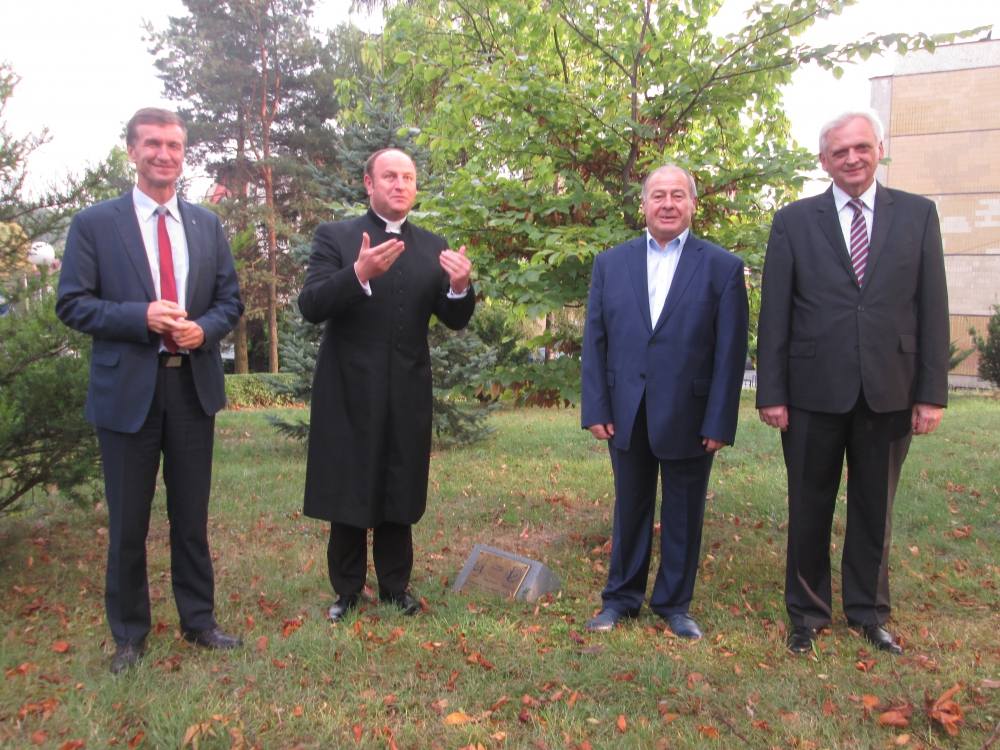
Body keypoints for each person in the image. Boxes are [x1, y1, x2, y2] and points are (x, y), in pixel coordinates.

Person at [56, 108, 244, 674]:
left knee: (190, 516)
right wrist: (140, 317)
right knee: (128, 523)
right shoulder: (95, 224)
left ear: (184, 154)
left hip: (191, 388)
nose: (164, 154)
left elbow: (229, 302)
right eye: (153, 144)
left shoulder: (206, 225)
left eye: (174, 145)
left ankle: (199, 621)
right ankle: (129, 634)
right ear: (132, 151)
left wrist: (202, 330)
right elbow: (73, 303)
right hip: (126, 392)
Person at [756, 110, 949, 656]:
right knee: (808, 505)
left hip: (891, 388)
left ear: (879, 149)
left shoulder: (918, 215)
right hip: (812, 391)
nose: (852, 158)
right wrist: (772, 392)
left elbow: (933, 306)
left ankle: (868, 612)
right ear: (824, 161)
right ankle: (807, 614)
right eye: (839, 152)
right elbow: (775, 313)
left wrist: (931, 393)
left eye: (861, 147)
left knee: (874, 508)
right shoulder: (794, 221)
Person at [298, 148, 475, 622]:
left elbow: (453, 318)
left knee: (400, 483)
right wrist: (358, 273)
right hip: (348, 387)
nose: (400, 185)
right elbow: (311, 305)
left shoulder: (432, 245)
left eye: (408, 177)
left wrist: (460, 287)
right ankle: (348, 590)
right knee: (349, 485)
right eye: (390, 176)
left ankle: (396, 586)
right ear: (369, 183)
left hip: (407, 388)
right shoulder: (335, 236)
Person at [580, 165, 749, 638]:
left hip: (691, 413)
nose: (668, 204)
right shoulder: (610, 264)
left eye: (678, 195)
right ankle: (620, 600)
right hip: (626, 411)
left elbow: (730, 351)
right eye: (658, 195)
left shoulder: (722, 267)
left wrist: (720, 420)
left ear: (693, 203)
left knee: (684, 512)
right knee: (629, 508)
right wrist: (597, 407)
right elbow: (595, 340)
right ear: (644, 205)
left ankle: (675, 604)